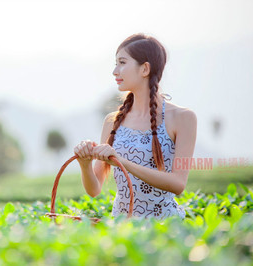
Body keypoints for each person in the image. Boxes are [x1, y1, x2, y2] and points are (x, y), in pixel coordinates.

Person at [73, 33, 197, 220]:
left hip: (166, 229)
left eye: (122, 63)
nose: (115, 71)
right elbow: (94, 190)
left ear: (145, 68)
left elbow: (179, 184)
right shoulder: (112, 121)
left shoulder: (184, 118)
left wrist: (122, 161)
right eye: (115, 63)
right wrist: (84, 165)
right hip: (122, 231)